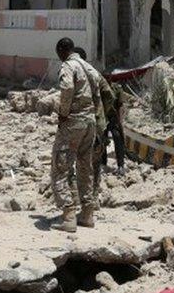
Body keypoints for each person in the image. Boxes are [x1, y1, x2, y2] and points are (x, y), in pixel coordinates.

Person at [50, 38, 102, 232]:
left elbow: (67, 88)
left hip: (73, 122)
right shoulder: (89, 68)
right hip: (90, 122)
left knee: (60, 168)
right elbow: (98, 93)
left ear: (63, 50)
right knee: (85, 166)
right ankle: (88, 214)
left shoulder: (68, 66)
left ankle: (69, 216)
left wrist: (63, 113)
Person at [73, 47, 126, 183]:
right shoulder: (97, 89)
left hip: (113, 117)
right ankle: (103, 163)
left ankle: (121, 165)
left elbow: (120, 105)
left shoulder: (117, 89)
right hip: (101, 118)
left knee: (118, 139)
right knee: (101, 141)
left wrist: (120, 122)